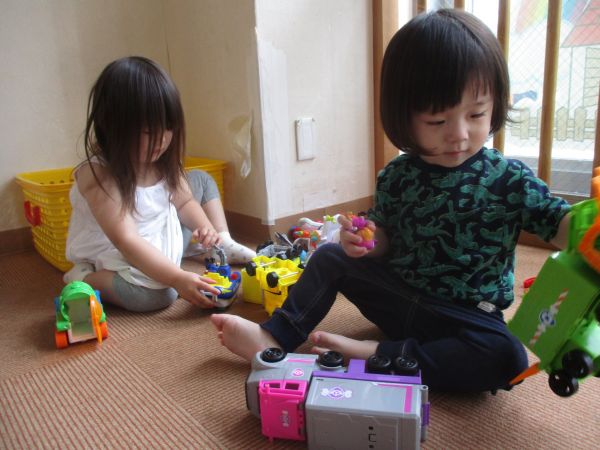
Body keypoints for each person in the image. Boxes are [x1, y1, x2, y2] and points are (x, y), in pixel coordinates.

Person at [211, 9, 572, 392]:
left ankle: (377, 354)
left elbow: (559, 223)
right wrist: (366, 241)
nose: (459, 133)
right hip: (398, 298)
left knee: (507, 357)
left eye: (476, 114)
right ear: (405, 116)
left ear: (495, 106)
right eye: (437, 121)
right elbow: (384, 239)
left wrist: (585, 228)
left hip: (462, 317)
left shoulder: (509, 179)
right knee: (330, 256)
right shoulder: (397, 177)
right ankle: (275, 337)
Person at [64, 56, 255, 312]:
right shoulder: (99, 174)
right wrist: (177, 278)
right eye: (147, 131)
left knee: (202, 179)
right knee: (161, 295)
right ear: (112, 126)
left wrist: (206, 229)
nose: (162, 140)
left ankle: (222, 242)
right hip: (118, 251)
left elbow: (185, 202)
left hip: (159, 234)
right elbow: (126, 239)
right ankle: (85, 278)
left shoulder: (162, 161)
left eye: (168, 127)